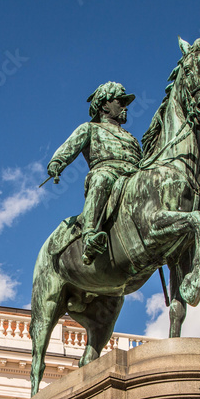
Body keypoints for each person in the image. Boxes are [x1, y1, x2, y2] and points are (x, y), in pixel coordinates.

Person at [47, 81, 142, 264]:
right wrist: (57, 162)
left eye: (125, 103)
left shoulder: (131, 137)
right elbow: (68, 148)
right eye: (119, 102)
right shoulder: (90, 128)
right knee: (101, 179)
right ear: (105, 105)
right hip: (107, 171)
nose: (125, 107)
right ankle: (90, 236)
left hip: (133, 175)